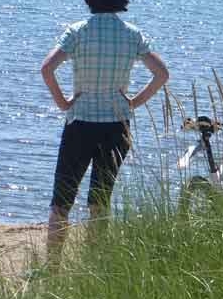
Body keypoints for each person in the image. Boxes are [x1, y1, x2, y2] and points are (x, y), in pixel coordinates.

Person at [39, 0, 168, 266]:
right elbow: (162, 74)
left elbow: (47, 68)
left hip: (80, 124)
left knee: (61, 201)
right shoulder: (132, 34)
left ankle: (52, 268)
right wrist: (132, 102)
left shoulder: (77, 31)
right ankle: (94, 267)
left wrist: (63, 103)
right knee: (100, 200)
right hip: (116, 127)